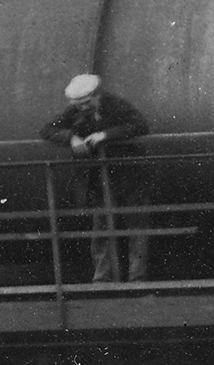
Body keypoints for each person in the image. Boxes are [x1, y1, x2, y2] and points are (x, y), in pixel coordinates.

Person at [44, 72, 152, 280]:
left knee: (136, 225)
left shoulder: (116, 105)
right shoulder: (75, 111)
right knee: (102, 228)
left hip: (131, 175)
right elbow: (47, 130)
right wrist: (71, 138)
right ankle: (103, 278)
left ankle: (137, 278)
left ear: (97, 95)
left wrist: (106, 135)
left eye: (87, 102)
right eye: (79, 104)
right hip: (100, 180)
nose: (84, 107)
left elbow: (140, 125)